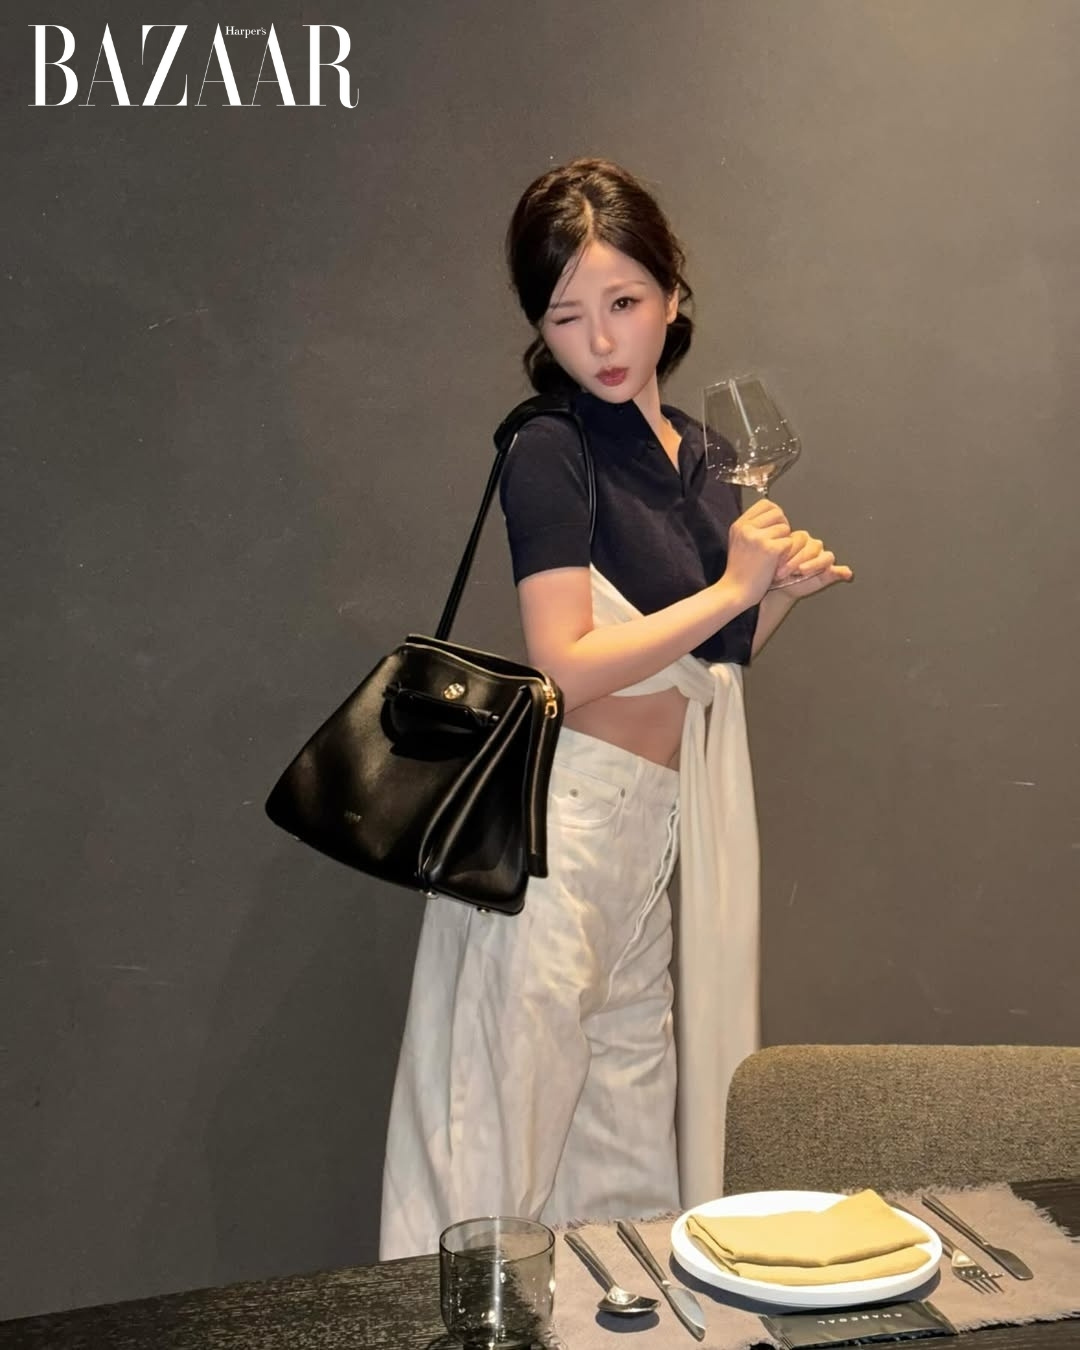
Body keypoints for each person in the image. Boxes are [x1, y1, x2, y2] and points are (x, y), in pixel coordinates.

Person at [380, 157, 852, 1259]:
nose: (600, 340)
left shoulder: (707, 454)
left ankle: (617, 1323)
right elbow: (569, 664)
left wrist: (775, 597)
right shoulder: (547, 448)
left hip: (650, 836)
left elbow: (705, 667)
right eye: (566, 316)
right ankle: (462, 1327)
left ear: (673, 294)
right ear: (538, 328)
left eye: (624, 302)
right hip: (558, 833)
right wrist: (733, 589)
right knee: (497, 1136)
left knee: (627, 1146)